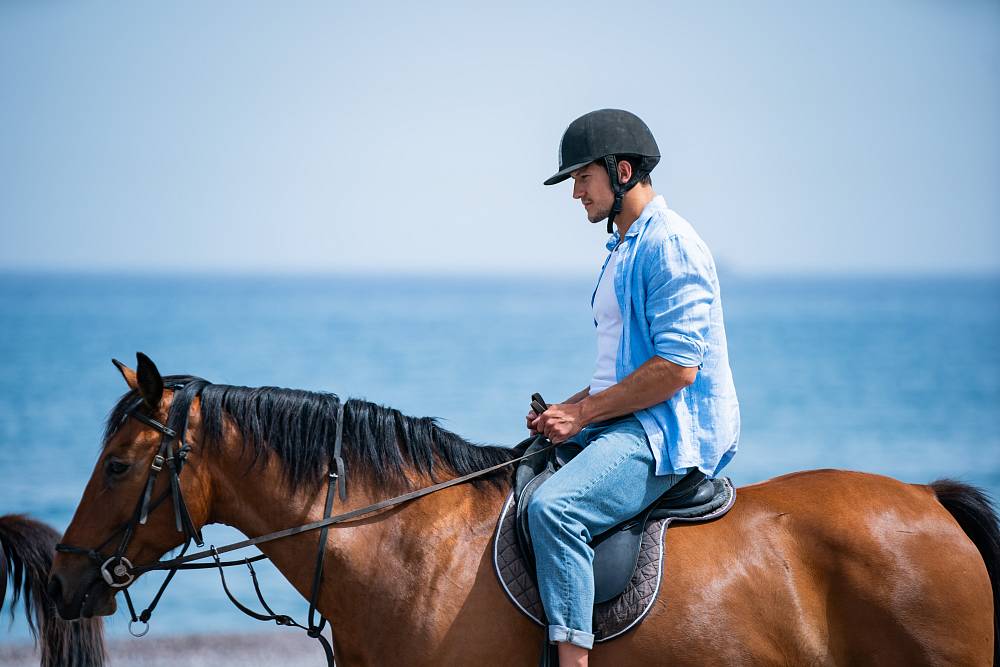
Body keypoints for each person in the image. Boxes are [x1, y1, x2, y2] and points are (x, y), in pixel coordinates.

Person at [526, 109, 740, 667]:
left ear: (622, 172)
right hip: (626, 419)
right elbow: (622, 369)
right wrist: (571, 408)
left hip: (662, 434)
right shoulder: (624, 247)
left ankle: (573, 662)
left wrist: (587, 414)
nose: (575, 192)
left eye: (582, 178)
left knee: (555, 509)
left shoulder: (669, 245)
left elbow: (676, 368)